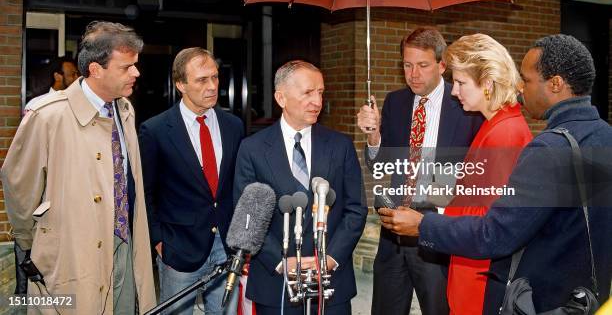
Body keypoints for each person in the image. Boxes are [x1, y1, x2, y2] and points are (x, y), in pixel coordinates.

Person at [379, 34, 612, 313]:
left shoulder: (519, 137)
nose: (520, 89)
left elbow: (495, 230)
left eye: (526, 80)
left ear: (556, 83)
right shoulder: (603, 135)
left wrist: (423, 224)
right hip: (583, 292)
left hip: (522, 289)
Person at [1, 21, 156, 313]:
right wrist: (39, 247)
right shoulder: (48, 116)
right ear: (96, 69)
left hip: (124, 245)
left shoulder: (125, 109)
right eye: (126, 67)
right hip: (71, 255)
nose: (136, 73)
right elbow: (18, 188)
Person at [356, 27, 482, 315]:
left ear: (441, 65)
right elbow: (378, 164)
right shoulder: (396, 102)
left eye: (423, 66)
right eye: (407, 65)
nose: (413, 74)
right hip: (393, 233)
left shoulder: (463, 105)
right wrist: (374, 135)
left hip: (436, 232)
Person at [234, 60, 368, 315]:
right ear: (281, 97)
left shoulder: (340, 146)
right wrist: (282, 261)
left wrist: (330, 258)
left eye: (320, 92)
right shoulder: (252, 149)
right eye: (308, 93)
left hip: (331, 284)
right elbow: (248, 218)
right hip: (275, 285)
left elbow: (355, 209)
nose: (317, 101)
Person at [139, 47, 244, 314]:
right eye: (201, 80)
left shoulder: (233, 125)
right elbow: (144, 192)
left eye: (215, 77)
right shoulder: (155, 130)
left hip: (227, 246)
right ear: (180, 85)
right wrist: (159, 241)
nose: (212, 86)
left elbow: (238, 185)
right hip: (178, 248)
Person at [442, 34, 532, 315]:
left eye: (460, 83)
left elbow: (492, 222)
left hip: (481, 273)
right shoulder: (495, 123)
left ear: (488, 83)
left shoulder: (504, 132)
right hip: (475, 264)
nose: (454, 91)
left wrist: (434, 219)